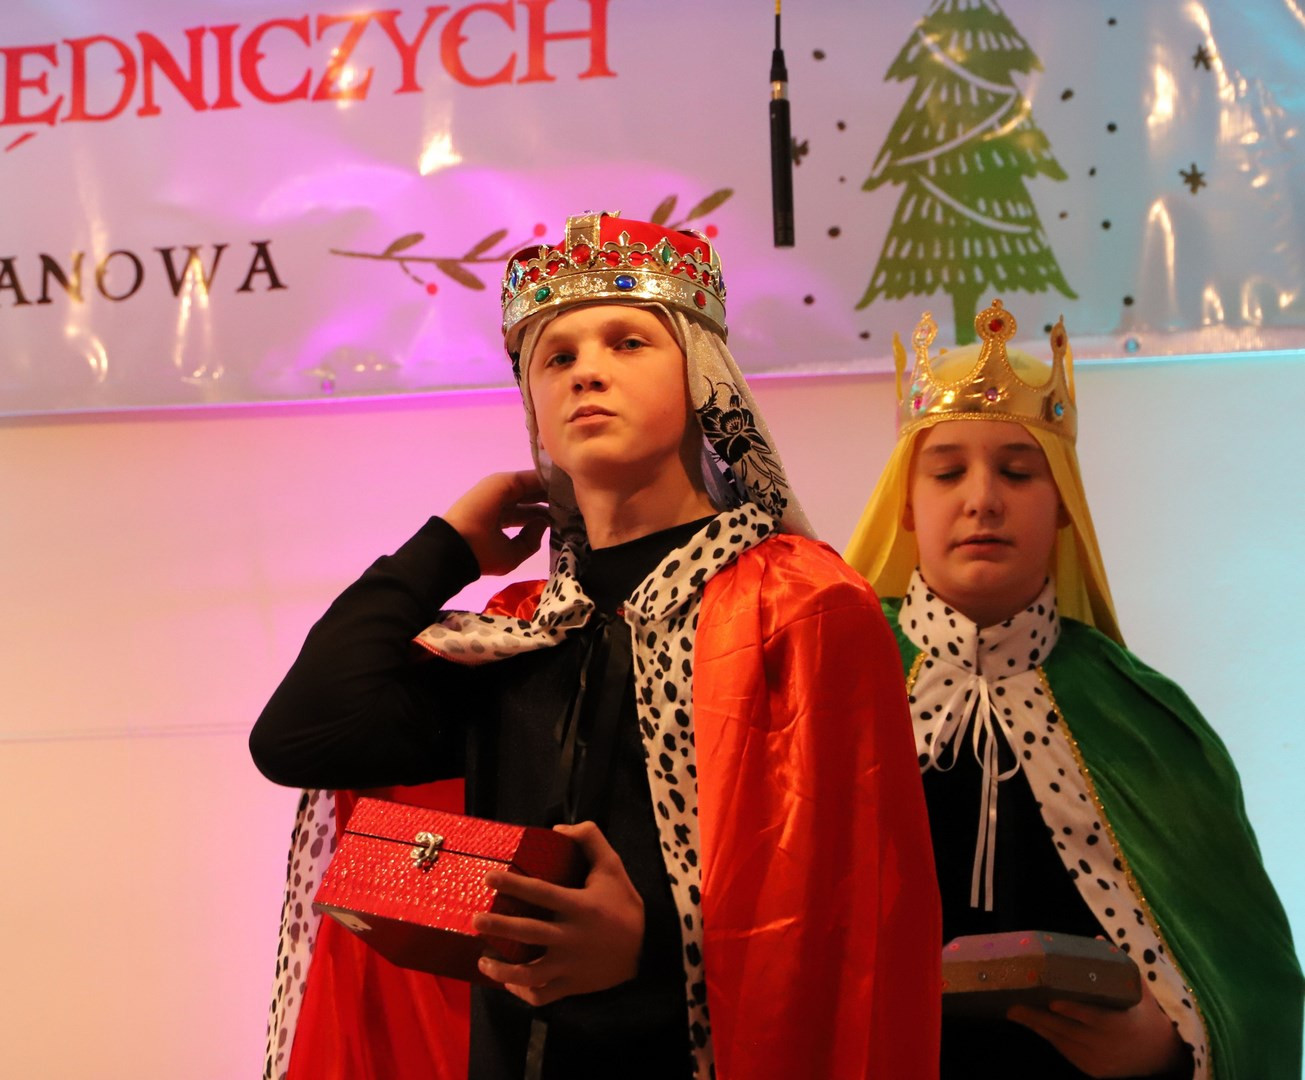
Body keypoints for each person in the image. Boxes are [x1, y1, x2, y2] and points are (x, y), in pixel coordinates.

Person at [250, 211, 941, 1080]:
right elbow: (300, 739)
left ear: (701, 377)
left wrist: (648, 953)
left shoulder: (801, 603)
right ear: (532, 408)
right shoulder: (521, 629)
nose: (586, 372)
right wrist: (443, 550)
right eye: (555, 358)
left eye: (627, 342)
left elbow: (851, 908)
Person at [843, 299, 1303, 1079]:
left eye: (1018, 471)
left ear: (1062, 505)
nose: (981, 499)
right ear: (906, 505)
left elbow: (1251, 982)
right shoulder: (832, 685)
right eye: (947, 471)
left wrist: (1165, 1046)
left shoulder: (1141, 721)